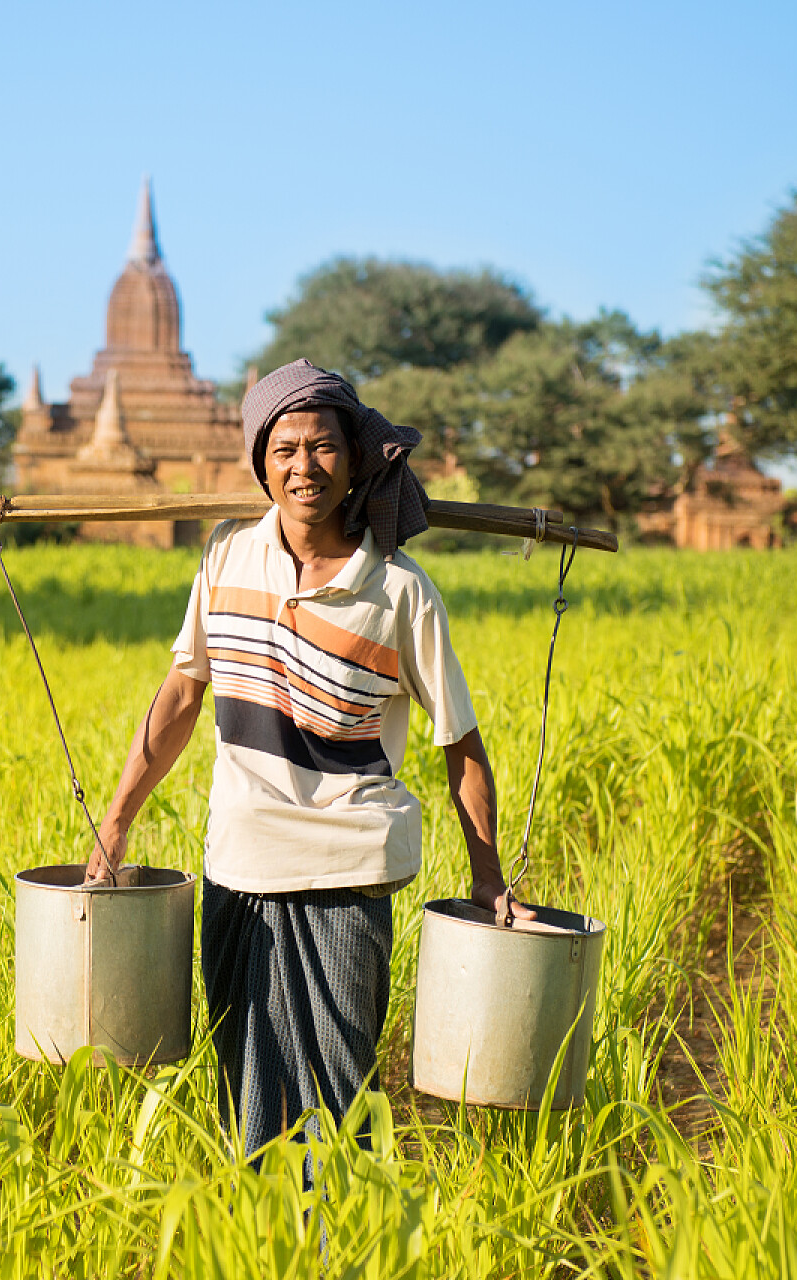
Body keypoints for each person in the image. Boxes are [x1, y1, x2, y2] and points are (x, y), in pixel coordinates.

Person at [84, 359, 533, 1159]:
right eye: (284, 449)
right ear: (261, 463)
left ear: (356, 457)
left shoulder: (399, 591)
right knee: (244, 1086)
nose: (303, 468)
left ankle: (334, 1241)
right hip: (241, 863)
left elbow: (460, 745)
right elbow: (182, 694)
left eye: (322, 447)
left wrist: (489, 878)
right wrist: (114, 824)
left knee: (337, 1092)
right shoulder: (226, 558)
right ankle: (258, 1240)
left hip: (344, 869)